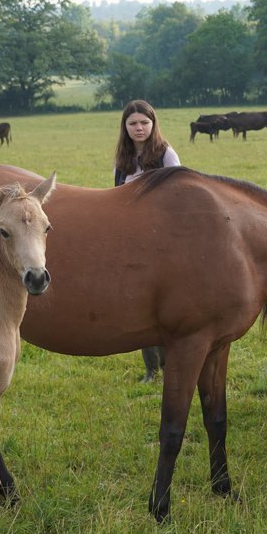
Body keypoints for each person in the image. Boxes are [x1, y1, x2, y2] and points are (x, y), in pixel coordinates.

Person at [113, 100, 181, 381]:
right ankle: (151, 370)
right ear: (125, 127)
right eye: (133, 123)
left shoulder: (166, 155)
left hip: (162, 240)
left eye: (144, 122)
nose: (139, 128)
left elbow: (181, 196)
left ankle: (169, 365)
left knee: (164, 305)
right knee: (141, 306)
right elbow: (117, 199)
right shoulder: (122, 160)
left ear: (153, 124)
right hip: (133, 241)